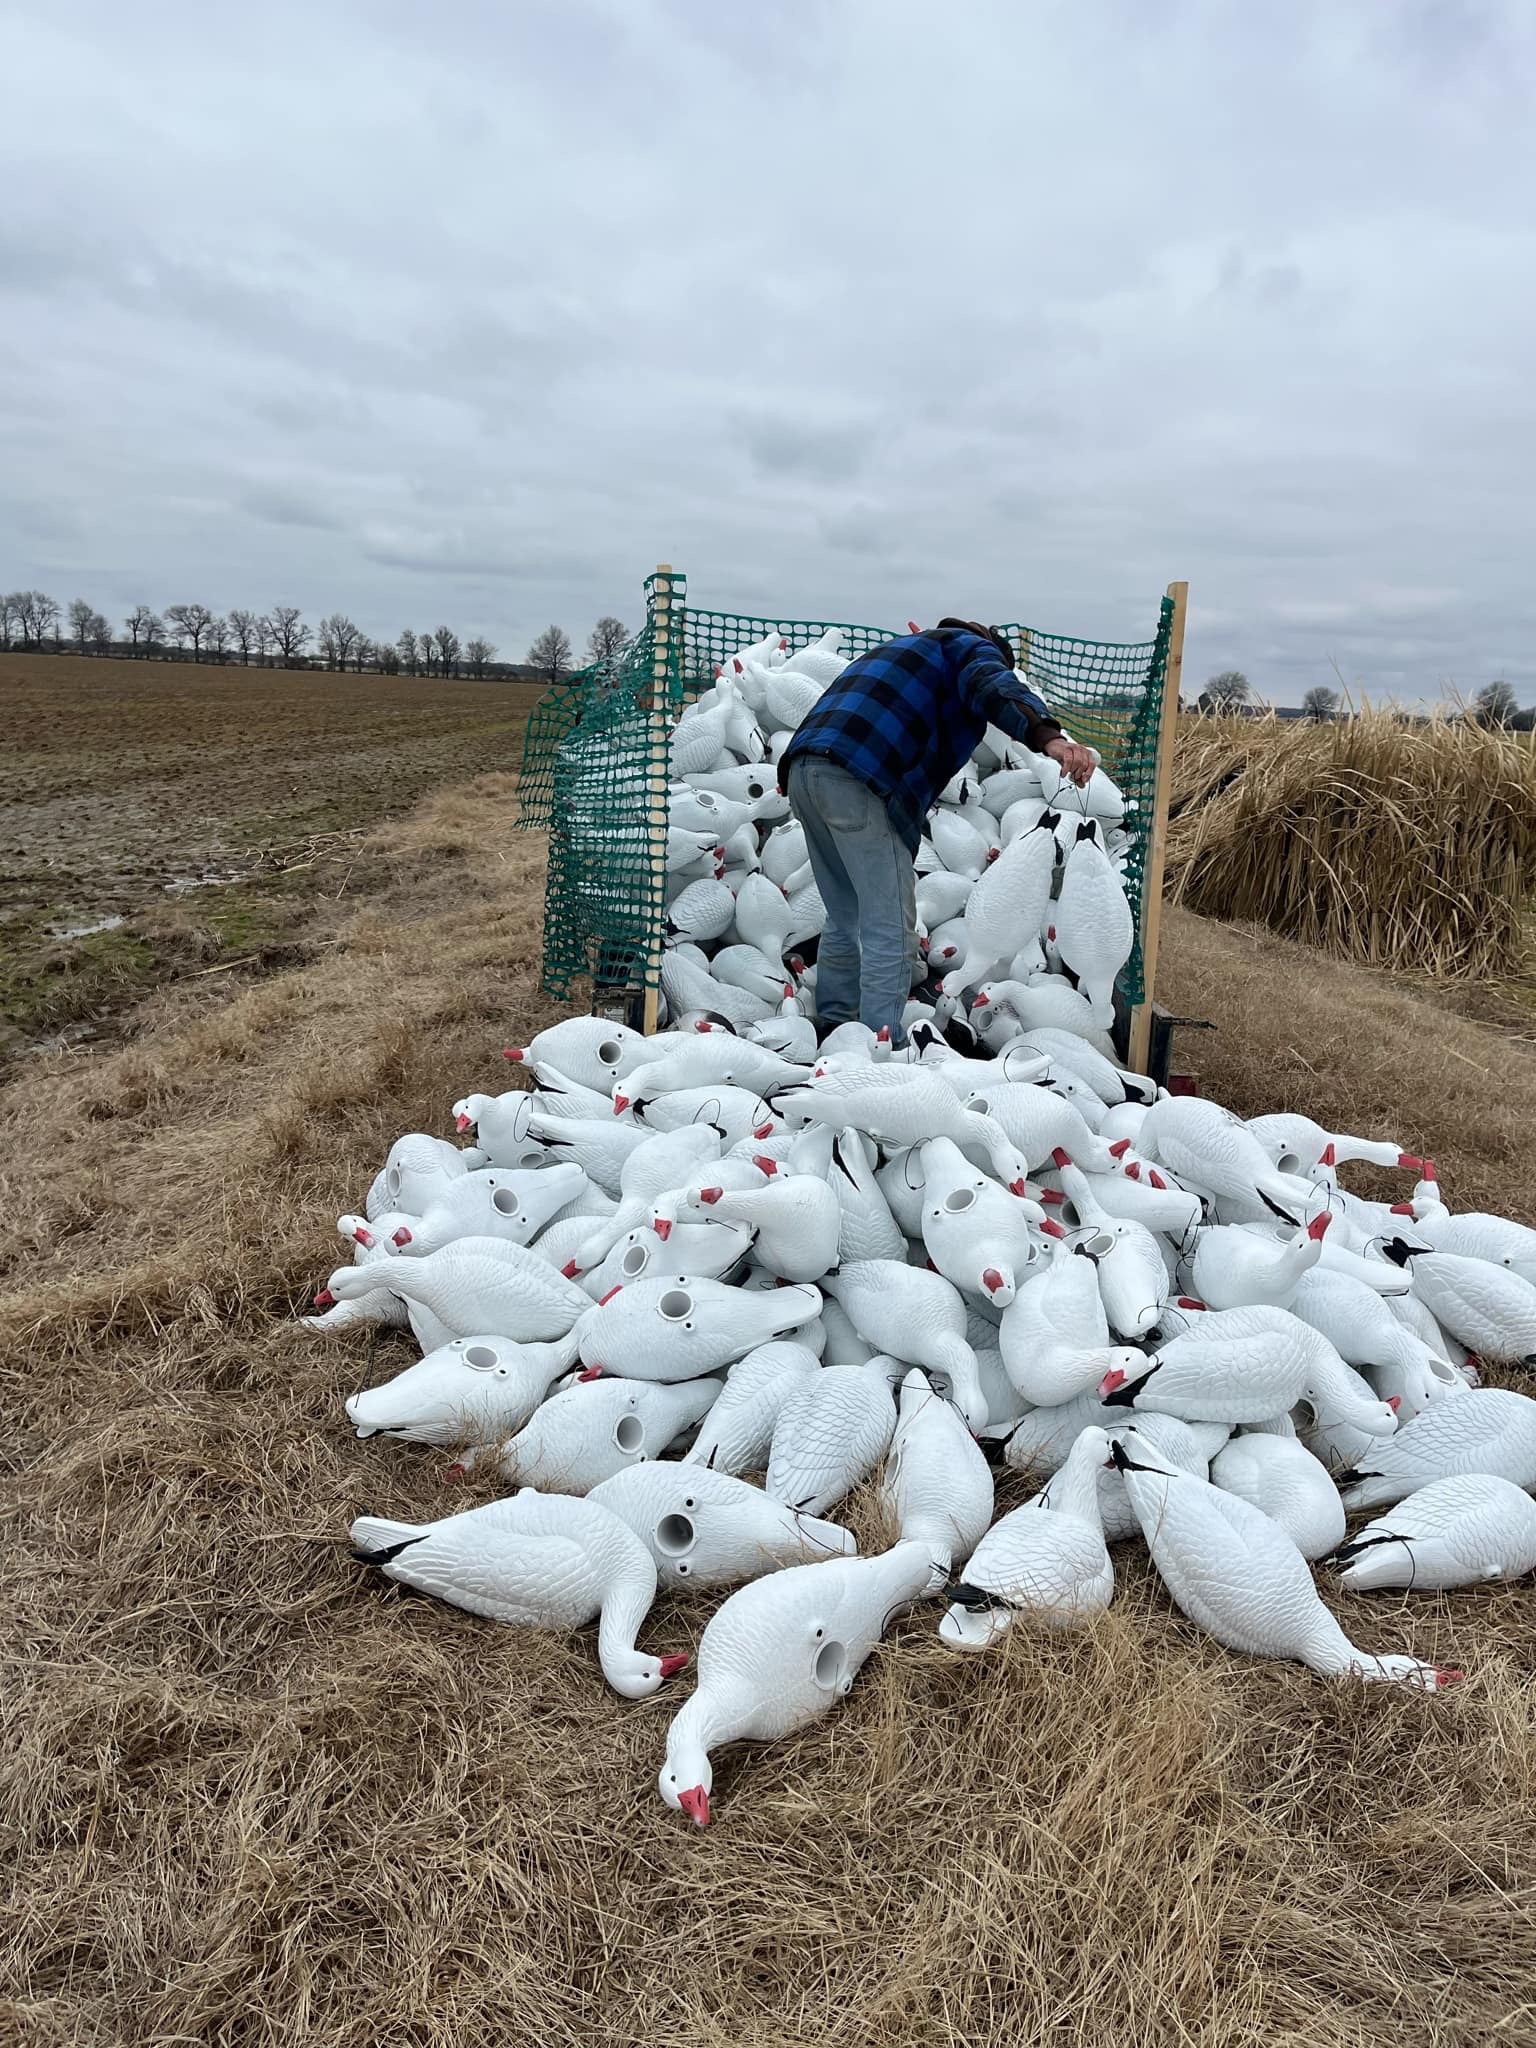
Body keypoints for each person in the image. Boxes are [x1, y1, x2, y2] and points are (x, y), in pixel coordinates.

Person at [777, 617, 1095, 1045]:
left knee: (845, 910)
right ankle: (880, 1044)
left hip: (804, 768)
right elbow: (993, 685)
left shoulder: (908, 649)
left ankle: (834, 1022)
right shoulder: (967, 648)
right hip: (859, 775)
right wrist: (1048, 737)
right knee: (888, 921)